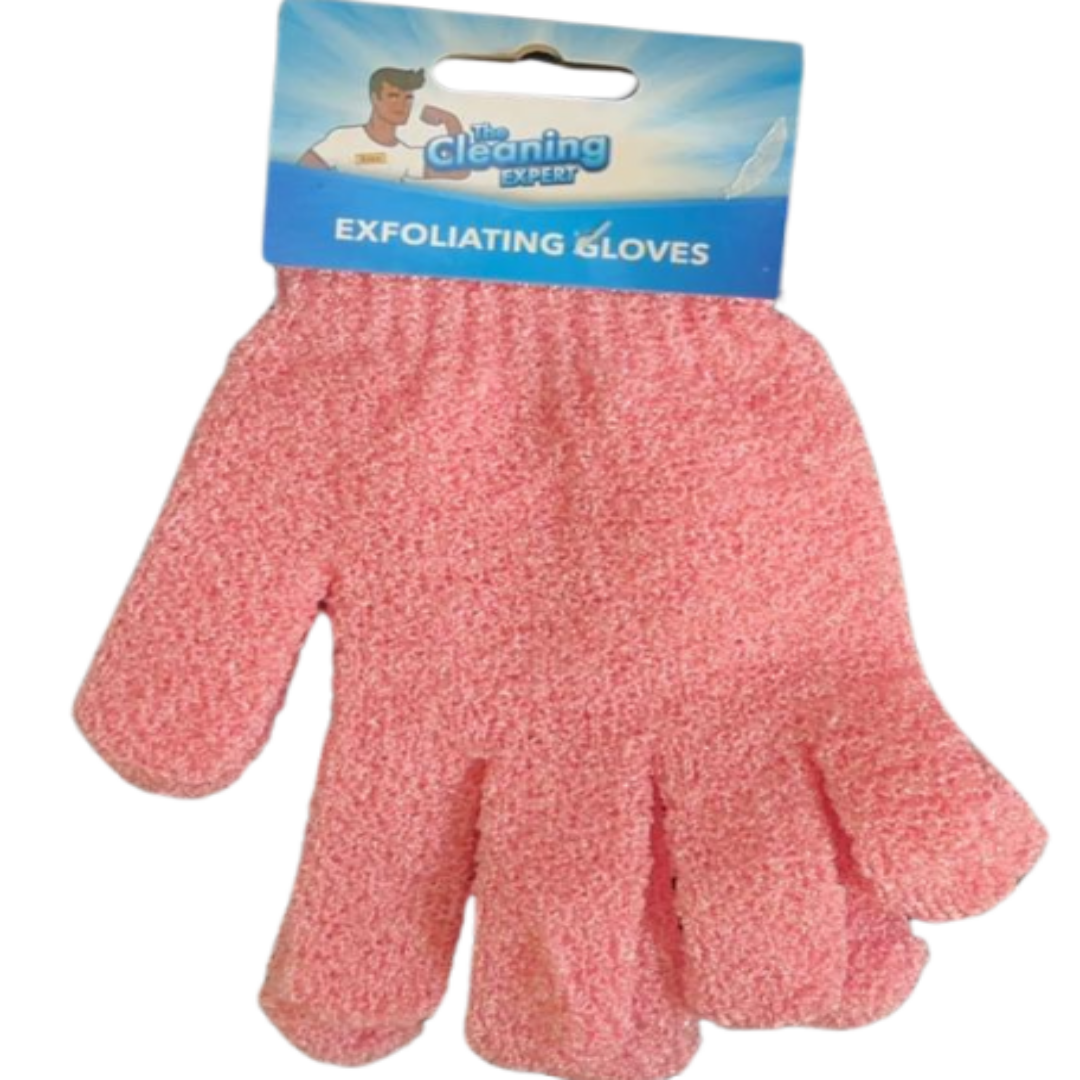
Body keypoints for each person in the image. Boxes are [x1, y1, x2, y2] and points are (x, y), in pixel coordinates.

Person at [300, 67, 470, 181]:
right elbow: (298, 177)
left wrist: (450, 120)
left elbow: (459, 172)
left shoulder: (406, 155)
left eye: (408, 98)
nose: (402, 105)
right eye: (393, 96)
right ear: (375, 98)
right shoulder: (344, 138)